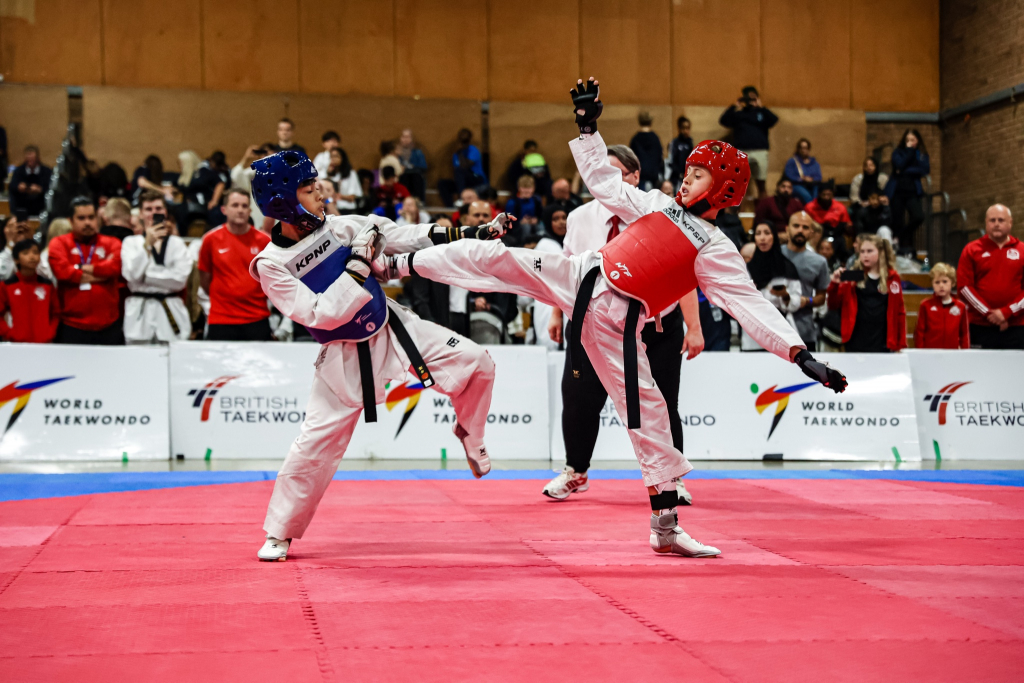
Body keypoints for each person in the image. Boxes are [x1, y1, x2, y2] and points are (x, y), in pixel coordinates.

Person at [386, 78, 847, 558]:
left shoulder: (715, 249)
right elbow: (606, 184)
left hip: (616, 321)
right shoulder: (657, 203)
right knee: (496, 258)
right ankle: (395, 263)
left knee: (651, 415)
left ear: (724, 189)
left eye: (698, 175)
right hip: (582, 275)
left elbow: (750, 305)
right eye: (688, 171)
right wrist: (588, 130)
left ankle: (665, 528)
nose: (686, 179)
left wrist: (800, 355)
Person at [248, 149, 506, 562]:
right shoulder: (271, 264)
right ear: (283, 201)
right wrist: (359, 262)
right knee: (312, 448)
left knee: (479, 364)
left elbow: (401, 235)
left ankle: (470, 433)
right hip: (342, 358)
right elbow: (321, 314)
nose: (321, 194)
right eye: (309, 189)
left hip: (393, 327)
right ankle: (279, 532)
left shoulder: (341, 226)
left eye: (318, 185)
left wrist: (468, 233)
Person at [543, 140, 704, 504]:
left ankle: (672, 478)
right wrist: (555, 312)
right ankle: (575, 471)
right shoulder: (579, 217)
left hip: (655, 326)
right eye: (599, 173)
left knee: (662, 403)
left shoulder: (659, 214)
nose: (605, 181)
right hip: (591, 324)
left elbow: (682, 275)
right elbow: (565, 269)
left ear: (635, 176)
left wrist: (694, 327)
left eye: (615, 173)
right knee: (579, 400)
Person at [198, 189, 273, 340]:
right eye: (235, 205)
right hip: (221, 319)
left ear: (250, 211)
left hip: (257, 318)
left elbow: (271, 279)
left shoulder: (265, 241)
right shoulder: (210, 240)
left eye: (244, 206)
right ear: (224, 210)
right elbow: (205, 279)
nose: (240, 210)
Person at [47, 197, 124, 345]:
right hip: (71, 326)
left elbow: (114, 268)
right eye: (81, 218)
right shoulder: (59, 243)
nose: (87, 222)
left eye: (91, 217)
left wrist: (78, 268)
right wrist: (102, 275)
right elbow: (63, 272)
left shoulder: (112, 242)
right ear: (70, 221)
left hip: (108, 325)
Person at [121, 191, 193, 343]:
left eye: (158, 208)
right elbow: (132, 275)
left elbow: (179, 281)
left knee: (173, 355)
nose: (153, 213)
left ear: (165, 212)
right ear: (141, 214)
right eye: (148, 209)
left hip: (170, 308)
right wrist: (147, 244)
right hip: (139, 311)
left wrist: (144, 277)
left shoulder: (177, 244)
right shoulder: (130, 242)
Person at [957, 204, 1024, 349]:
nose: (996, 224)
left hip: (1017, 326)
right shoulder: (971, 249)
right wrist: (988, 313)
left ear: (1010, 222)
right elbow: (964, 288)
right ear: (986, 223)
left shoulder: (1022, 250)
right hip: (979, 325)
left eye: (1001, 220)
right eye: (992, 220)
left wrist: (1007, 312)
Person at [827, 235, 906, 353]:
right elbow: (833, 305)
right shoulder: (853, 275)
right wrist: (834, 284)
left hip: (882, 341)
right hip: (855, 340)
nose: (865, 255)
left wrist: (900, 343)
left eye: (869, 251)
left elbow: (899, 311)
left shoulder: (891, 277)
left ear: (881, 252)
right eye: (862, 251)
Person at [742, 223, 803, 351]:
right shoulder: (747, 269)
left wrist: (785, 296)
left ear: (774, 236)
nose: (762, 238)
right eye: (758, 234)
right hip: (754, 333)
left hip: (781, 330)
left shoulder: (787, 267)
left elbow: (796, 300)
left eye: (767, 233)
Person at [782, 210, 830, 350]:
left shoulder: (819, 262)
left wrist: (806, 300)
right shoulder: (773, 256)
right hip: (774, 331)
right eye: (796, 226)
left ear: (811, 232)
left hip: (804, 333)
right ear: (787, 229)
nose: (800, 230)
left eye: (805, 227)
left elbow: (821, 298)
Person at [718, 86, 778, 198]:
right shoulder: (739, 115)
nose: (751, 101)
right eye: (748, 98)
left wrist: (761, 107)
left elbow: (774, 120)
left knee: (761, 184)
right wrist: (735, 105)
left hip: (760, 151)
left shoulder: (762, 113)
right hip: (742, 152)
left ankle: (762, 208)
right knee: (737, 184)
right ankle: (736, 208)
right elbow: (723, 121)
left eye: (753, 98)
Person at [0, 239, 60, 343]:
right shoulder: (7, 286)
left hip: (44, 342)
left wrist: (50, 332)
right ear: (16, 259)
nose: (32, 257)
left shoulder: (47, 285)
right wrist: (9, 333)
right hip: (16, 343)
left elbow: (56, 313)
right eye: (25, 253)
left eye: (35, 252)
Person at [885, 129, 930, 256]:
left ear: (918, 141)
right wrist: (909, 152)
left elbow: (924, 169)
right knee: (897, 220)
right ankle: (899, 249)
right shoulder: (898, 152)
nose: (909, 143)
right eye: (907, 140)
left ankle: (899, 237)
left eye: (912, 140)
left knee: (918, 216)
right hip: (897, 191)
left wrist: (905, 170)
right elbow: (899, 164)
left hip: (912, 191)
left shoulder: (921, 154)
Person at [914, 263, 969, 349]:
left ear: (952, 283)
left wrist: (965, 352)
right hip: (930, 353)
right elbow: (919, 333)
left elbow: (964, 334)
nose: (941, 285)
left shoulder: (961, 306)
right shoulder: (925, 305)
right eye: (937, 282)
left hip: (953, 353)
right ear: (932, 284)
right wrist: (921, 352)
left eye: (945, 281)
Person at [803, 180, 852, 258]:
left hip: (835, 234)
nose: (826, 197)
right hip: (817, 234)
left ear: (832, 195)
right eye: (824, 194)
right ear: (819, 194)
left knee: (841, 242)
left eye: (829, 194)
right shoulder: (810, 207)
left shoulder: (840, 207)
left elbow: (846, 224)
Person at [9, 145, 52, 216]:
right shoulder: (19, 171)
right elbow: (12, 187)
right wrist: (18, 187)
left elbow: (51, 188)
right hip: (23, 206)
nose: (30, 163)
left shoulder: (47, 172)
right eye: (28, 161)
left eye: (32, 160)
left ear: (38, 159)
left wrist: (40, 190)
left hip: (41, 207)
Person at [629, 111, 663, 191]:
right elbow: (660, 157)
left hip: (640, 177)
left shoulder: (635, 139)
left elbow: (631, 159)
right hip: (654, 177)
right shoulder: (655, 138)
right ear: (651, 121)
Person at [504, 174, 542, 244]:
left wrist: (536, 220)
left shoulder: (536, 200)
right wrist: (520, 222)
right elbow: (508, 221)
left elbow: (540, 215)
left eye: (529, 188)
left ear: (533, 188)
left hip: (533, 225)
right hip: (518, 228)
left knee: (540, 226)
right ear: (519, 188)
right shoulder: (512, 202)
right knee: (526, 227)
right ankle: (524, 245)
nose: (526, 191)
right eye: (524, 188)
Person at [783, 138, 822, 204]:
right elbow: (789, 175)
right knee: (807, 197)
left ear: (809, 149)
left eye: (805, 148)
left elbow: (819, 177)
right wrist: (802, 179)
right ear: (798, 149)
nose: (803, 150)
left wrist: (811, 179)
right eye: (801, 148)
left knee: (817, 191)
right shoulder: (792, 161)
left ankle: (814, 205)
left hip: (812, 184)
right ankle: (811, 207)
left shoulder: (815, 163)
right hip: (797, 185)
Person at [397, 128, 427, 200]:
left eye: (408, 137)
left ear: (412, 139)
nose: (406, 139)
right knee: (404, 177)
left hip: (415, 177)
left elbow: (424, 166)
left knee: (416, 177)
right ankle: (403, 200)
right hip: (402, 177)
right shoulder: (396, 153)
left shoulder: (418, 152)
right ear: (400, 139)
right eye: (404, 137)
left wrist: (411, 168)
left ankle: (418, 201)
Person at [0, 213, 33, 280]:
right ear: (5, 231)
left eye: (21, 229)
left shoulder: (35, 254)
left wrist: (30, 241)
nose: (17, 230)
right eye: (12, 227)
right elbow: (3, 277)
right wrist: (10, 242)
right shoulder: (2, 255)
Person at [668, 115, 694, 185]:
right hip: (676, 179)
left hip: (688, 178)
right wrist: (679, 173)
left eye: (688, 128)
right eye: (683, 128)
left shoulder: (690, 143)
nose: (685, 131)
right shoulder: (675, 143)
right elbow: (671, 161)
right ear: (679, 129)